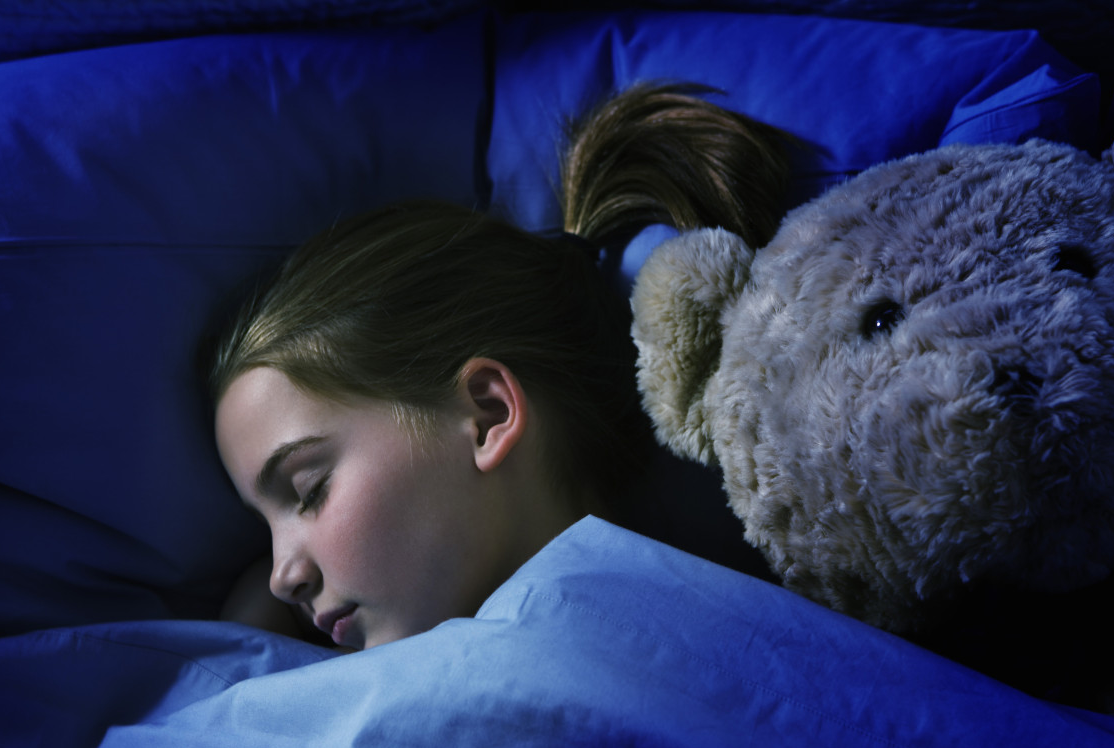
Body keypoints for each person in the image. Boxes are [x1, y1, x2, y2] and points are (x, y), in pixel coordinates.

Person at [209, 84, 793, 650]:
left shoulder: (719, 648)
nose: (280, 581)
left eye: (309, 491)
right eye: (265, 527)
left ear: (488, 413)